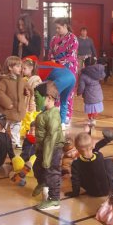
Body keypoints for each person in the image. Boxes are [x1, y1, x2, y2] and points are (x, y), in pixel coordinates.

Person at [31, 82, 65, 211]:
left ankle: (54, 199)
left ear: (49, 98)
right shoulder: (45, 113)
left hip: (52, 150)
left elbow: (51, 137)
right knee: (37, 168)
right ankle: (43, 182)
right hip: (43, 148)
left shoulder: (53, 115)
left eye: (37, 97)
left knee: (52, 172)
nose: (35, 100)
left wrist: (47, 158)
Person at [66, 131, 113, 198]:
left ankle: (107, 139)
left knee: (76, 175)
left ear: (77, 148)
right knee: (109, 161)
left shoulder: (76, 163)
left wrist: (75, 193)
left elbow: (75, 181)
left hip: (91, 192)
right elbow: (96, 149)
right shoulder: (99, 156)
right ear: (92, 145)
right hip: (108, 189)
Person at [47, 18, 79, 122]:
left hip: (69, 68)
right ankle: (55, 114)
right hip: (56, 68)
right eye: (56, 28)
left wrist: (58, 61)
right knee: (55, 89)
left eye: (59, 28)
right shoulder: (53, 39)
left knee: (67, 93)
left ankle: (66, 117)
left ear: (65, 26)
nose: (57, 30)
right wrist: (51, 60)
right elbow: (50, 51)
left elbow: (72, 56)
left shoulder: (73, 38)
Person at [0, 56, 27, 148]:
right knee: (2, 127)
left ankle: (15, 142)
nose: (20, 69)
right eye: (17, 66)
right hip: (7, 110)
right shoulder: (5, 80)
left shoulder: (20, 80)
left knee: (16, 127)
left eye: (20, 66)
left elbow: (24, 88)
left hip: (17, 109)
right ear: (10, 67)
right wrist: (7, 103)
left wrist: (26, 91)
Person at [77, 56, 105, 132]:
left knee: (90, 109)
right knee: (95, 108)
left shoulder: (83, 74)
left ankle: (91, 119)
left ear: (85, 64)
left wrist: (78, 92)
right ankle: (94, 120)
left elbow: (81, 87)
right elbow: (103, 76)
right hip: (98, 92)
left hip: (88, 94)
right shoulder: (98, 72)